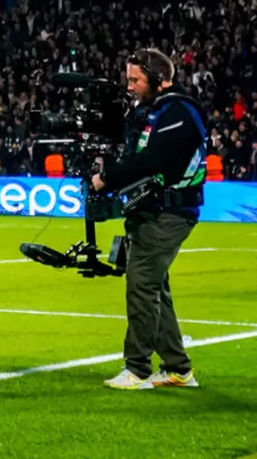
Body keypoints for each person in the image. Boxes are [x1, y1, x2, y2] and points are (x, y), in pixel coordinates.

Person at [93, 49, 208, 391]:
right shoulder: (153, 111)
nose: (129, 86)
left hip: (169, 211)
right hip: (155, 209)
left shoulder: (179, 112)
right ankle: (178, 368)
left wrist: (108, 176)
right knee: (155, 288)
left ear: (160, 80)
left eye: (135, 80)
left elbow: (150, 160)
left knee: (142, 284)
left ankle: (137, 369)